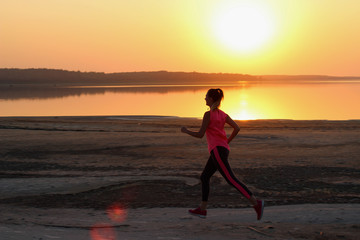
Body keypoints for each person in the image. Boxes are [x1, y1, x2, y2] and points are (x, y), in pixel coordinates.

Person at [181, 88, 264, 220]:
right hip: (221, 149)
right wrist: (227, 142)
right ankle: (202, 209)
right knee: (204, 177)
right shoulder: (223, 114)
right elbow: (237, 128)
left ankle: (256, 203)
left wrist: (186, 131)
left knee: (231, 179)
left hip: (217, 150)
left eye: (206, 96)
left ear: (212, 99)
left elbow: (200, 135)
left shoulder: (208, 114)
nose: (205, 98)